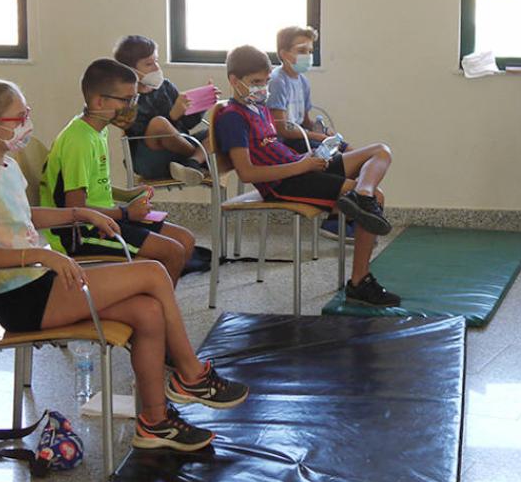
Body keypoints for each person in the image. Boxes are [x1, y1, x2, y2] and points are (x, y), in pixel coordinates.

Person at [0, 75, 247, 451]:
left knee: (147, 311)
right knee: (154, 273)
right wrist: (41, 254)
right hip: (20, 300)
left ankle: (155, 423)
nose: (27, 121)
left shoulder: (3, 167)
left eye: (27, 112)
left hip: (37, 285)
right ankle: (191, 375)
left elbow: (21, 219)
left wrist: (77, 212)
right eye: (18, 116)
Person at [214, 45, 400, 307]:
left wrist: (305, 157)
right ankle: (360, 281)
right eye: (255, 82)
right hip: (284, 183)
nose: (263, 88)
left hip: (299, 168)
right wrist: (301, 166)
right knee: (378, 198)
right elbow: (247, 172)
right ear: (234, 81)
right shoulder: (231, 117)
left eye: (266, 82)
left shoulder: (260, 109)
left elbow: (273, 148)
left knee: (381, 151)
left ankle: (362, 194)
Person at [40, 59, 197, 284]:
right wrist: (125, 213)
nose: (132, 106)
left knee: (185, 239)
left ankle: (154, 305)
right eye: (126, 100)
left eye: (134, 98)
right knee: (170, 252)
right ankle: (153, 309)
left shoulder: (97, 129)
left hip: (103, 218)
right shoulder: (79, 140)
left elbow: (90, 187)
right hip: (79, 232)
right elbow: (75, 207)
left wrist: (127, 195)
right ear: (99, 101)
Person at [266, 25, 356, 244]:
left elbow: (305, 120)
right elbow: (282, 128)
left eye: (310, 50)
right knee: (339, 160)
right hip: (286, 144)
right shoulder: (278, 80)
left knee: (350, 151)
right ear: (284, 54)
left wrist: (323, 132)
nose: (308, 55)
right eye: (302, 50)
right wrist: (317, 138)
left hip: (302, 137)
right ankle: (336, 214)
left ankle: (340, 214)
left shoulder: (302, 81)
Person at [112, 34, 215, 186]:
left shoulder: (165, 86)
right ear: (130, 70)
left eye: (156, 61)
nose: (156, 68)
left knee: (220, 126)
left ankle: (192, 162)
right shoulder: (126, 99)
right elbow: (139, 131)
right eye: (149, 64)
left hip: (180, 150)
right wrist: (172, 115)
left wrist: (202, 102)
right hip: (151, 159)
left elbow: (186, 125)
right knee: (158, 124)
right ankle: (197, 158)